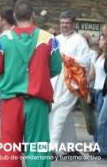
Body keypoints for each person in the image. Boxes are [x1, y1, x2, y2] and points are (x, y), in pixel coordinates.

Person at [0, 0, 62, 167]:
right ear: (33, 15)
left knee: (9, 149)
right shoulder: (49, 38)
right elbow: (56, 68)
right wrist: (39, 76)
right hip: (37, 102)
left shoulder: (2, 40)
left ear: (14, 16)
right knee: (37, 149)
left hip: (10, 101)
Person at [49, 11, 92, 156]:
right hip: (55, 83)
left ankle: (52, 148)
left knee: (60, 112)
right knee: (63, 114)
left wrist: (69, 60)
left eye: (67, 23)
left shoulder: (79, 40)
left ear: (73, 24)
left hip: (70, 85)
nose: (64, 26)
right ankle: (71, 148)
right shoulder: (56, 39)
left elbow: (86, 62)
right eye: (62, 23)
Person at [92, 34, 107, 158]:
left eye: (101, 39)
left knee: (102, 122)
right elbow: (94, 74)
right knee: (98, 121)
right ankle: (97, 146)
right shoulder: (98, 55)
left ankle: (102, 150)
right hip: (96, 90)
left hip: (103, 90)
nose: (99, 41)